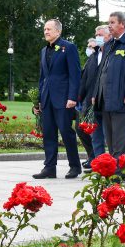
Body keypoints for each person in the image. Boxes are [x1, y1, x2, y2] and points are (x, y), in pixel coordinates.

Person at [92, 11, 125, 174]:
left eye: (112, 22)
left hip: (123, 100)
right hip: (106, 99)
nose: (109, 25)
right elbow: (101, 71)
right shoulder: (109, 44)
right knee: (111, 139)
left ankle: (119, 173)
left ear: (122, 24)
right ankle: (119, 170)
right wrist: (95, 93)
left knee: (120, 140)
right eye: (109, 22)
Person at [32, 19, 82, 179]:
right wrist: (38, 99)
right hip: (47, 99)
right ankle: (49, 167)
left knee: (66, 132)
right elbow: (42, 78)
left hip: (64, 98)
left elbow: (75, 74)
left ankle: (75, 166)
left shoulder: (69, 47)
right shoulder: (42, 51)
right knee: (48, 133)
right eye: (45, 29)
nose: (46, 31)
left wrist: (73, 97)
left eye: (49, 29)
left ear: (58, 31)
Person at [76, 38, 99, 167]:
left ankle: (94, 157)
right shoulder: (90, 60)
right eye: (88, 46)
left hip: (91, 99)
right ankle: (91, 156)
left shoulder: (96, 59)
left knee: (89, 130)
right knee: (80, 129)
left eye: (91, 46)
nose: (89, 49)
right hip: (84, 100)